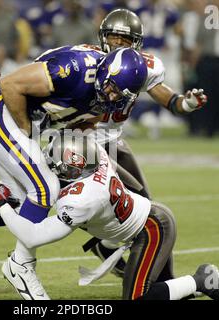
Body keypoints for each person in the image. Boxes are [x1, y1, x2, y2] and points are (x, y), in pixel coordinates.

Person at [0, 46, 148, 300]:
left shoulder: (110, 96)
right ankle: (21, 266)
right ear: (104, 71)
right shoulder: (73, 69)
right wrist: (30, 135)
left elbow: (82, 122)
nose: (113, 95)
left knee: (18, 203)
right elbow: (10, 86)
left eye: (120, 94)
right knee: (44, 188)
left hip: (27, 124)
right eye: (112, 87)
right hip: (0, 112)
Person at [0, 133, 219, 300]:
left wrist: (2, 206)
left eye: (56, 164)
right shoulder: (97, 158)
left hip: (152, 229)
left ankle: (202, 279)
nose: (50, 166)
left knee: (138, 298)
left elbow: (32, 237)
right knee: (160, 289)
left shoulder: (82, 199)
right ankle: (199, 285)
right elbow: (127, 178)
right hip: (147, 217)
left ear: (71, 170)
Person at [81, 8, 208, 277]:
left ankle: (112, 249)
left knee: (147, 207)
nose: (117, 44)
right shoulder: (86, 59)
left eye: (124, 40)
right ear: (104, 36)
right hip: (82, 145)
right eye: (114, 37)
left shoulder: (143, 65)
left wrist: (186, 102)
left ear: (136, 43)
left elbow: (170, 100)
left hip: (114, 141)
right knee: (144, 213)